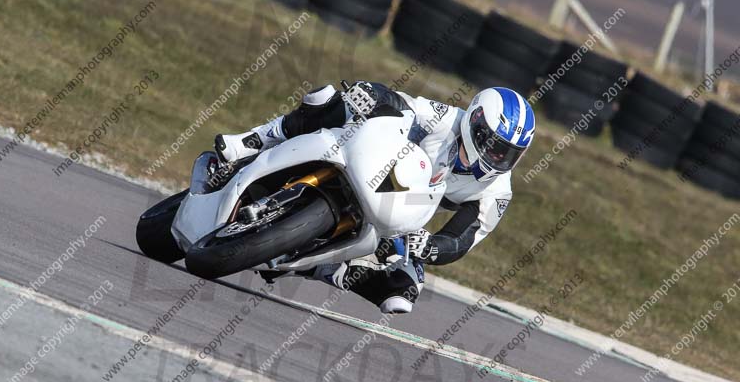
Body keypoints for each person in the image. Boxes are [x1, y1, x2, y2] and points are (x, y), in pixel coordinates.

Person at [214, 82, 536, 314]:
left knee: (402, 290)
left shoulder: (496, 192)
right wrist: (370, 92)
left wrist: (431, 247)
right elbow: (399, 101)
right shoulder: (445, 119)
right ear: (473, 122)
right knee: (329, 102)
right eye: (492, 144)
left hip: (400, 216)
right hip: (372, 159)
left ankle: (314, 266)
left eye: (508, 153)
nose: (496, 157)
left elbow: (462, 238)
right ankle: (253, 141)